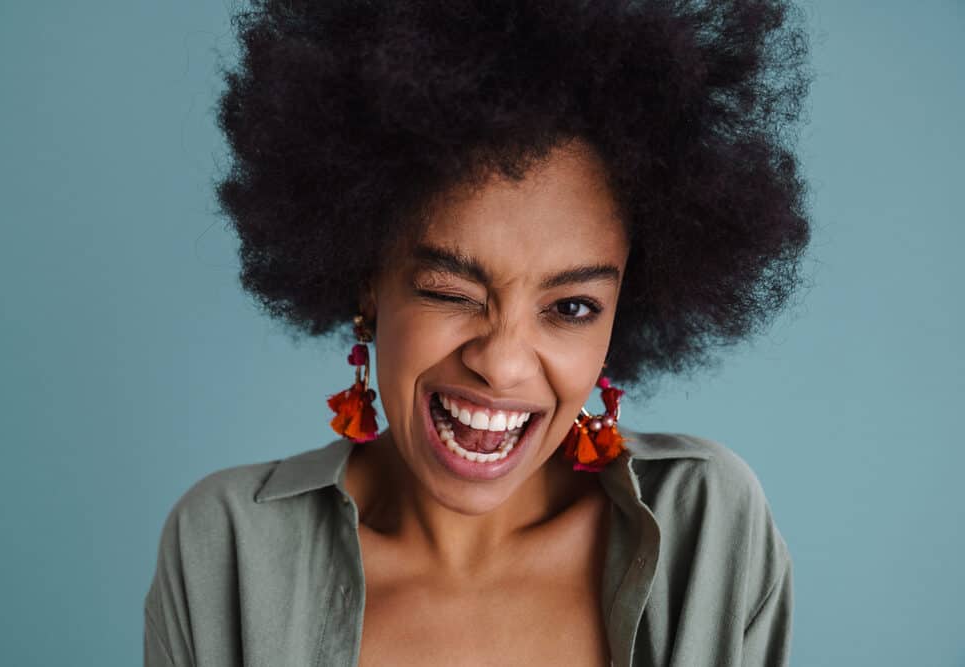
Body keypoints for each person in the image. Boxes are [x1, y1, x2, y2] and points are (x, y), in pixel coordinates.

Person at [144, 0, 811, 665]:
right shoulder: (228, 549)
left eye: (573, 307)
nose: (502, 361)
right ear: (367, 280)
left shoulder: (707, 527)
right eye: (450, 292)